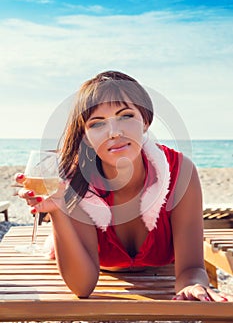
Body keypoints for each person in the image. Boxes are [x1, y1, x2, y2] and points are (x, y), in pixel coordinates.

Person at [16, 70, 229, 302]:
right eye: (97, 124)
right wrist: (57, 211)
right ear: (86, 136)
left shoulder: (181, 172)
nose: (114, 132)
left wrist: (192, 286)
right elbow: (82, 287)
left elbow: (191, 268)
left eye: (126, 116)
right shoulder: (74, 182)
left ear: (145, 121)